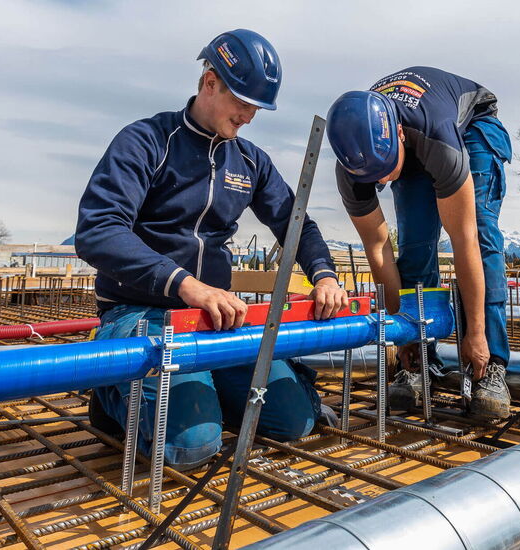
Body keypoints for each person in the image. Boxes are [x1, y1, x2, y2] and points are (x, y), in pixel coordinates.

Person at [75, 29, 348, 470]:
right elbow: (98, 229)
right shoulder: (146, 141)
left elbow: (297, 223)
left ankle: (207, 390)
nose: (249, 116)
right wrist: (186, 285)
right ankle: (111, 397)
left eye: (257, 106)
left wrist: (324, 274)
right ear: (209, 82)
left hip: (214, 321)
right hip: (141, 312)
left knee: (294, 421)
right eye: (242, 100)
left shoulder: (251, 161)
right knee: (188, 448)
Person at [326, 66, 511, 420]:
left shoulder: (438, 140)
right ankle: (420, 362)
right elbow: (379, 250)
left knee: (482, 231)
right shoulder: (353, 164)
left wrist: (473, 333)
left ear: (398, 134)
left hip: (471, 126)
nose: (381, 180)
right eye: (372, 177)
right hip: (411, 139)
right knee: (414, 245)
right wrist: (403, 333)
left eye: (385, 168)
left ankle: (492, 364)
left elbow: (464, 241)